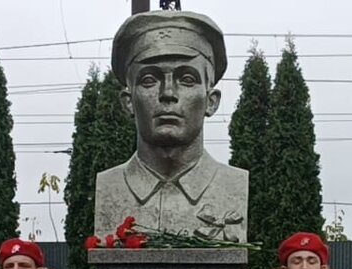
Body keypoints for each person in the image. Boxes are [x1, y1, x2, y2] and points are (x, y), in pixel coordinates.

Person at [94, 10, 248, 242]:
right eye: (149, 80)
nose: (168, 94)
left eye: (187, 79)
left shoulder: (232, 186)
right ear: (128, 102)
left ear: (211, 101)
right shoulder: (109, 187)